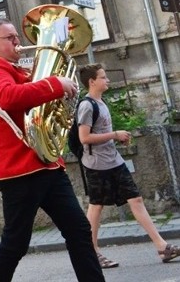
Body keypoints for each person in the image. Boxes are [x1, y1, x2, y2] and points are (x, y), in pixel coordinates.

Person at [0, 17, 104, 282]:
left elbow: (34, 95)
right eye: (9, 38)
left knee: (79, 230)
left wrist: (55, 84)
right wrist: (55, 85)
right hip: (20, 170)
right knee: (15, 244)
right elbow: (8, 97)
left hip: (45, 164)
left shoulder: (15, 69)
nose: (18, 42)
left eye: (16, 37)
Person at [77, 63, 180, 267]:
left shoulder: (101, 102)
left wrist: (117, 138)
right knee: (96, 206)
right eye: (103, 77)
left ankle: (162, 247)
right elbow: (84, 137)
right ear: (92, 81)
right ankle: (92, 252)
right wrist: (115, 135)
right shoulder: (87, 105)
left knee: (136, 199)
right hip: (97, 164)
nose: (107, 80)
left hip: (113, 160)